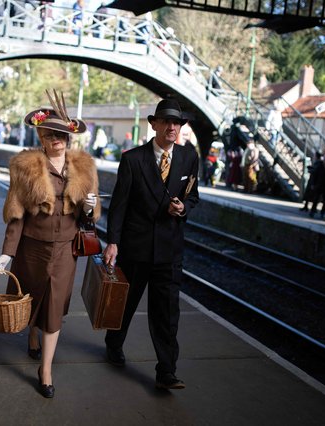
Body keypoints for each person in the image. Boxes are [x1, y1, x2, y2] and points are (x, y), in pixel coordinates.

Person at [0, 92, 101, 398]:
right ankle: (32, 337)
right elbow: (16, 215)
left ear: (69, 137)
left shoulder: (84, 168)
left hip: (65, 250)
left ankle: (46, 369)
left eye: (62, 134)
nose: (57, 140)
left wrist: (90, 206)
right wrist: (5, 253)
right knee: (31, 298)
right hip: (31, 249)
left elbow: (88, 216)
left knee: (54, 306)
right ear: (41, 136)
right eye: (51, 134)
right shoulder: (26, 168)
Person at [102, 98, 199, 390]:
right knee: (126, 304)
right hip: (136, 247)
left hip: (170, 251)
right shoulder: (133, 159)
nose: (172, 127)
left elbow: (194, 197)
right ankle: (113, 343)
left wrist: (183, 208)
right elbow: (119, 205)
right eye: (167, 122)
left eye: (177, 123)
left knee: (167, 312)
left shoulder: (188, 157)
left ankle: (166, 370)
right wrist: (113, 242)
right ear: (154, 124)